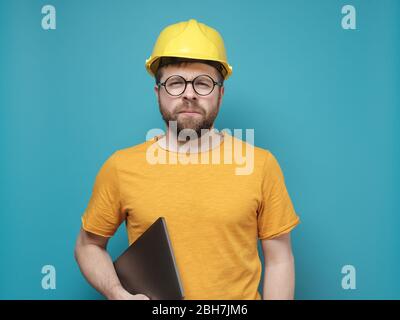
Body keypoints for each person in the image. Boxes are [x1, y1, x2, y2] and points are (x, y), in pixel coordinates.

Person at [74, 18, 300, 300]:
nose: (189, 94)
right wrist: (117, 294)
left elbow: (280, 259)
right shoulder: (121, 167)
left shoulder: (261, 165)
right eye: (175, 83)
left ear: (220, 93)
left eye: (203, 83)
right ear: (158, 92)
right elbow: (88, 245)